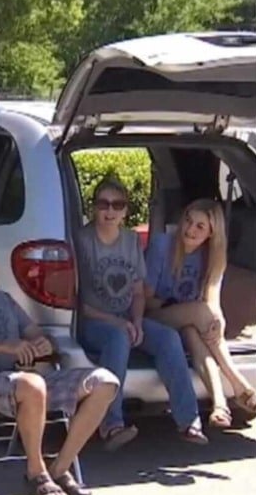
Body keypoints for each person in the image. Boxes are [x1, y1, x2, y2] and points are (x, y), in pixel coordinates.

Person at [0, 240, 119, 495]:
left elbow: (36, 334)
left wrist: (42, 344)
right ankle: (35, 472)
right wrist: (3, 346)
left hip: (22, 381)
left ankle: (59, 468)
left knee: (105, 382)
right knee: (31, 385)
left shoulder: (3, 300)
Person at [75, 176, 207, 449]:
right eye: (103, 204)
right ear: (94, 207)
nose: (110, 211)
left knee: (168, 338)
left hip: (127, 318)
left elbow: (137, 291)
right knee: (118, 338)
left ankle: (189, 421)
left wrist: (136, 320)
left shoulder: (131, 240)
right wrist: (119, 323)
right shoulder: (81, 240)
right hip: (93, 321)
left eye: (117, 204)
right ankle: (111, 424)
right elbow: (78, 302)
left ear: (125, 210)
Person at [144, 198, 256, 427]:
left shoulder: (213, 255)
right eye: (188, 221)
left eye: (200, 226)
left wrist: (218, 322)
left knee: (195, 332)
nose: (190, 229)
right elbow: (147, 299)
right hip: (154, 314)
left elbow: (212, 297)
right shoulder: (162, 245)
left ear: (211, 233)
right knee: (200, 315)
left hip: (190, 320)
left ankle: (220, 405)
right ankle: (237, 382)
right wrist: (194, 312)